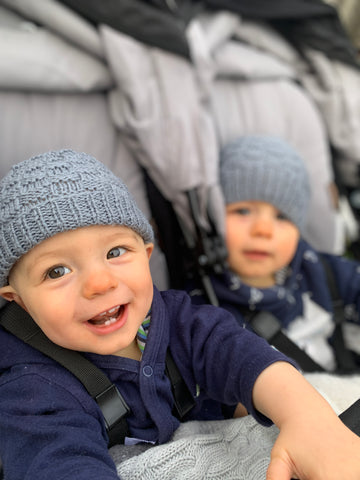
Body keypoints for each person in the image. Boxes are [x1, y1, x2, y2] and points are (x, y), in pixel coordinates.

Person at [0, 149, 359, 480]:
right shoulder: (31, 390)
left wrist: (309, 420)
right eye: (57, 271)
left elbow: (240, 353)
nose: (99, 283)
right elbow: (58, 463)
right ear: (18, 301)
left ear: (146, 253)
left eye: (115, 251)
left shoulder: (178, 318)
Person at [189, 135, 360, 373]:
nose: (263, 229)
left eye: (282, 217)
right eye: (243, 211)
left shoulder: (321, 271)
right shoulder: (201, 313)